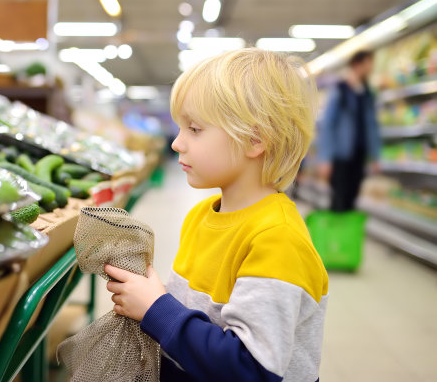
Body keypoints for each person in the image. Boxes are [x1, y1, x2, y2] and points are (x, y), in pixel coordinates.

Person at [104, 48, 328, 382]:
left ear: (254, 139)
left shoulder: (277, 239)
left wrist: (156, 308)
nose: (177, 143)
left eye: (194, 129)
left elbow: (252, 369)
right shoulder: (201, 216)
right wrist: (151, 298)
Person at [317, 50, 381, 211]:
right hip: (341, 154)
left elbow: (372, 125)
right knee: (339, 197)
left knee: (352, 196)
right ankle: (337, 233)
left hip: (359, 153)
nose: (371, 68)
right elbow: (328, 124)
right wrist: (325, 158)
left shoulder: (367, 93)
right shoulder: (341, 90)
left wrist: (375, 155)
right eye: (368, 64)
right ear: (357, 65)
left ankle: (347, 234)